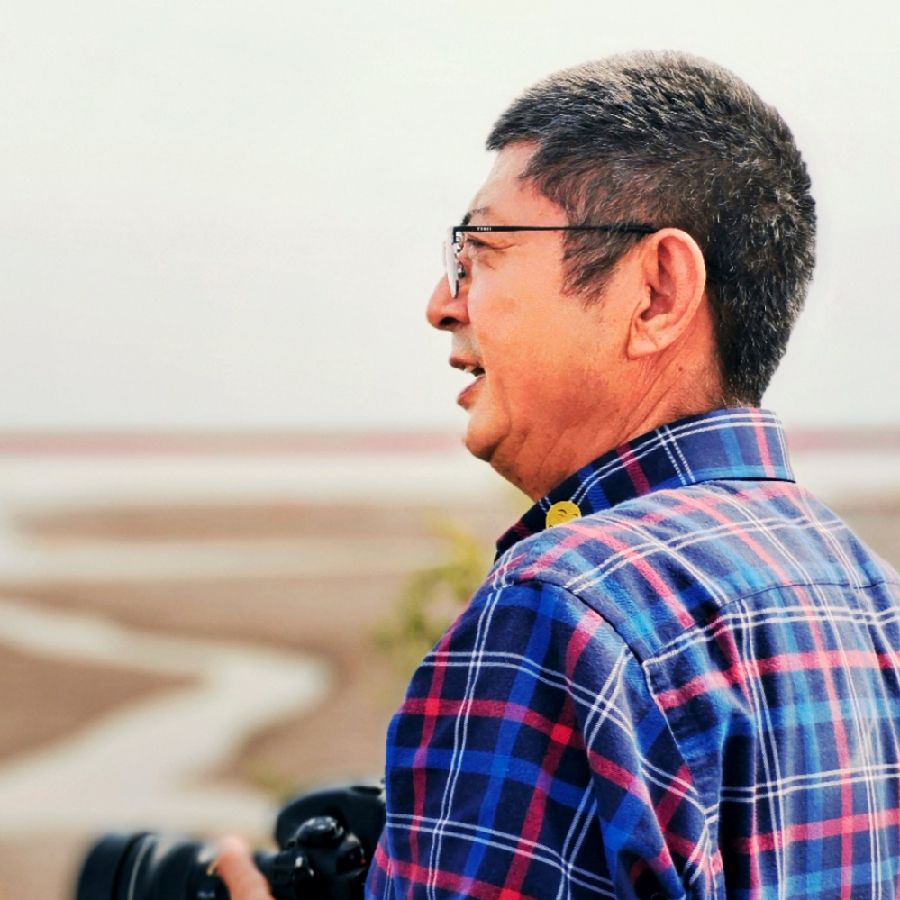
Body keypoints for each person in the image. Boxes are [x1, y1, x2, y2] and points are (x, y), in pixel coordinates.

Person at [220, 51, 900, 898]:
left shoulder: (561, 609)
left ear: (656, 292)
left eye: (482, 250)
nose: (442, 303)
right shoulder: (870, 594)